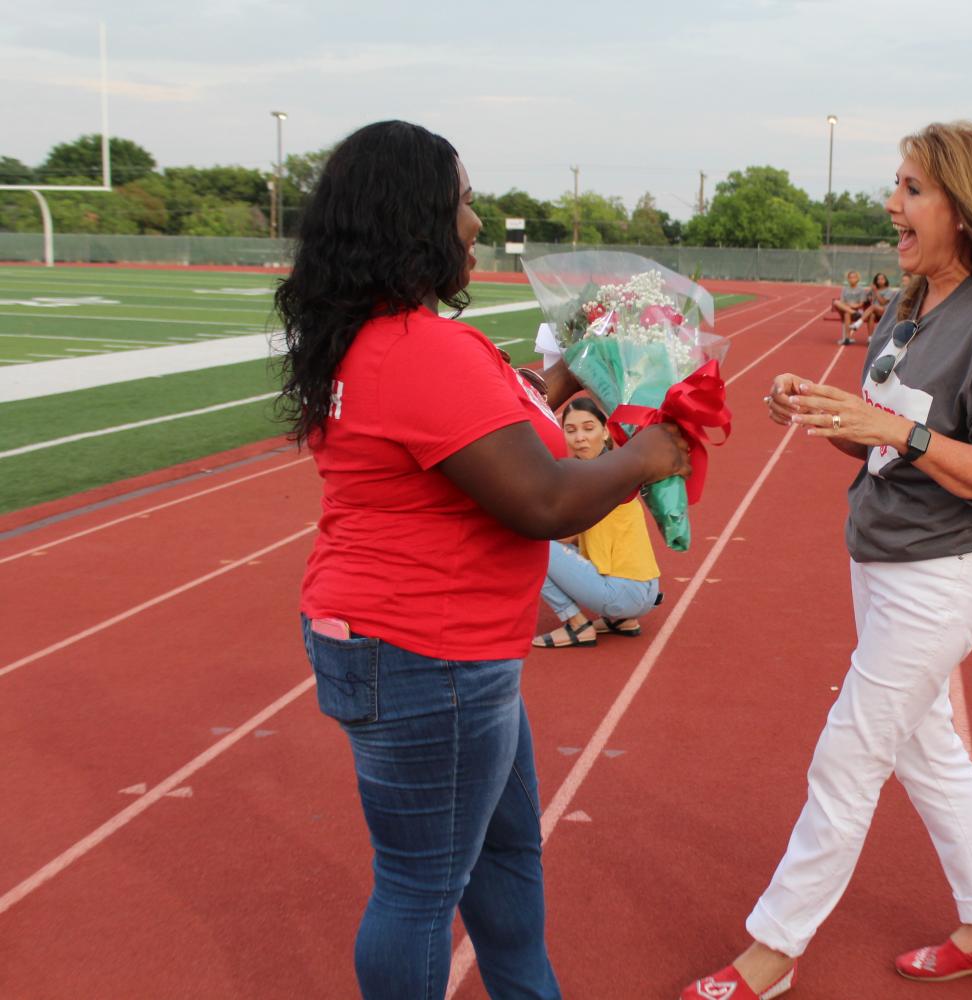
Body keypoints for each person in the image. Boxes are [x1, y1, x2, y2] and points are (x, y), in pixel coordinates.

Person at [278, 120, 691, 1000]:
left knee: (504, 853)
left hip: (419, 645)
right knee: (420, 890)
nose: (475, 221)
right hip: (432, 654)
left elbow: (484, 436)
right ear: (416, 216)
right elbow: (541, 500)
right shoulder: (419, 349)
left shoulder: (369, 337)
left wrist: (581, 370)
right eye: (463, 200)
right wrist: (653, 454)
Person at [683, 120, 972, 1000]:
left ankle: (772, 950)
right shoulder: (911, 298)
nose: (892, 204)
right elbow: (889, 442)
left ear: (962, 209)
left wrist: (900, 430)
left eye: (912, 189)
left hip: (942, 572)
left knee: (848, 755)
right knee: (928, 750)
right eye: (898, 185)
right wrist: (827, 412)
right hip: (884, 559)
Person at [532, 397, 663, 648]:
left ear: (605, 432)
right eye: (570, 430)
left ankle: (576, 625)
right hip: (647, 588)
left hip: (624, 594)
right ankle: (622, 621)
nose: (580, 437)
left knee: (530, 544)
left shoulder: (591, 480)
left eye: (588, 428)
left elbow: (563, 537)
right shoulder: (616, 469)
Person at [834, 270, 869, 345]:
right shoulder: (845, 289)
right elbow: (842, 302)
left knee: (847, 313)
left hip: (857, 310)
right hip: (848, 309)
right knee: (836, 302)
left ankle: (847, 338)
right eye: (850, 277)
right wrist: (849, 307)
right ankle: (847, 338)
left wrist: (850, 305)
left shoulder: (861, 289)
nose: (852, 279)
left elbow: (861, 304)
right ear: (848, 279)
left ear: (857, 278)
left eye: (854, 277)